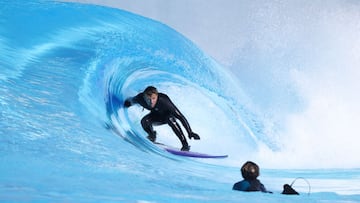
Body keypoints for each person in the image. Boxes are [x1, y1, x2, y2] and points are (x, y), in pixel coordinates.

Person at [123, 86, 200, 151]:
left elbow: (180, 117)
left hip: (168, 116)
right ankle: (152, 135)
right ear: (144, 96)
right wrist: (125, 104)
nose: (151, 102)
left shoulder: (164, 101)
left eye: (153, 98)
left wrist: (190, 132)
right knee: (144, 121)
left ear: (157, 96)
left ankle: (185, 144)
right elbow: (130, 101)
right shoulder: (140, 98)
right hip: (156, 116)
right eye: (148, 99)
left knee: (170, 119)